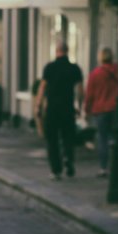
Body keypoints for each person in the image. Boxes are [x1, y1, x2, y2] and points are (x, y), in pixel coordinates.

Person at [34, 41, 84, 180]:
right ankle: (68, 159)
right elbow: (80, 90)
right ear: (67, 51)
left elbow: (42, 87)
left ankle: (56, 170)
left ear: (56, 51)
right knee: (68, 137)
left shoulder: (49, 67)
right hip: (67, 108)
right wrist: (79, 106)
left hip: (52, 109)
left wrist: (38, 105)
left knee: (52, 139)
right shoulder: (74, 68)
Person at [84, 47, 118, 177]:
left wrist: (87, 110)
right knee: (116, 138)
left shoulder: (95, 74)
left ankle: (103, 167)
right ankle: (117, 166)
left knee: (102, 139)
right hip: (116, 109)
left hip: (100, 110)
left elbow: (89, 94)